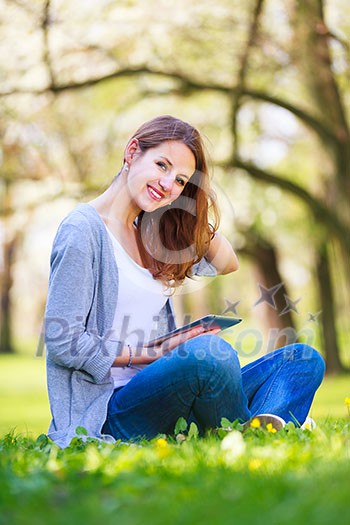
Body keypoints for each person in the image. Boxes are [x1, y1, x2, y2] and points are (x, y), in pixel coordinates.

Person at [44, 115, 325, 448]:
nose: (167, 184)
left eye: (180, 181)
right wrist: (148, 353)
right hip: (110, 410)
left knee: (303, 360)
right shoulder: (83, 230)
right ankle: (253, 432)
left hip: (170, 395)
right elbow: (63, 340)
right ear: (132, 152)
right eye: (161, 165)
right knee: (211, 354)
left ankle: (242, 430)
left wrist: (188, 210)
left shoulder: (154, 237)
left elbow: (227, 262)